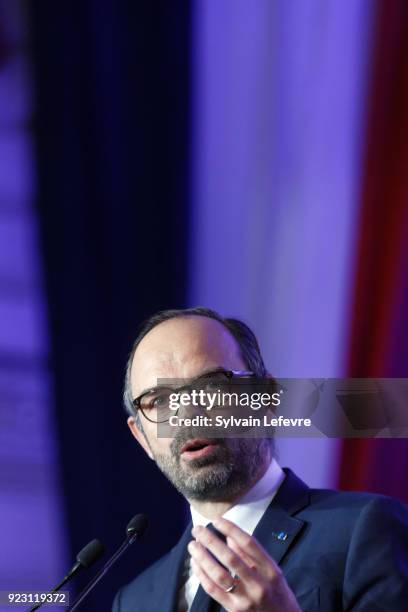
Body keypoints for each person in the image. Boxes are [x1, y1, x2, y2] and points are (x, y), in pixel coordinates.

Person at [112, 307, 408, 611]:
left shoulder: (365, 530)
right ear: (142, 438)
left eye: (213, 384)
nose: (188, 413)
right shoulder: (134, 600)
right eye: (159, 400)